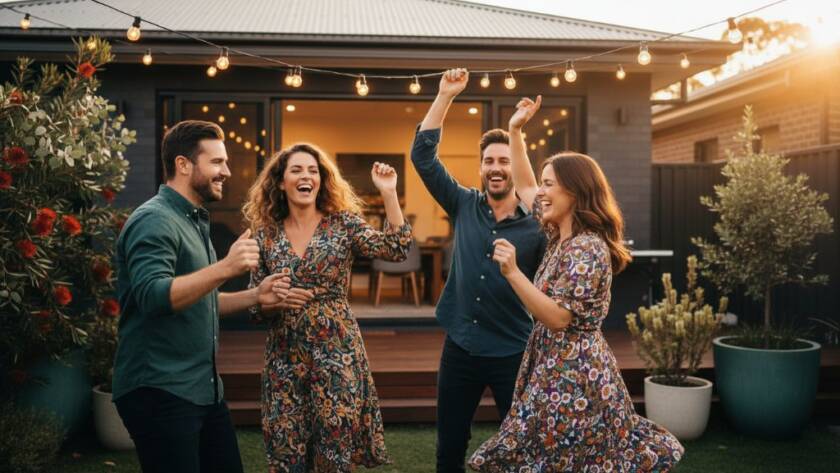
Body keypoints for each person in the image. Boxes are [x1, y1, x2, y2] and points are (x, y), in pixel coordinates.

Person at [468, 97, 684, 471]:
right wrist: (517, 130)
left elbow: (558, 318)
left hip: (576, 376)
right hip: (552, 365)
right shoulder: (559, 237)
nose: (542, 192)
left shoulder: (588, 249)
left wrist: (513, 273)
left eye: (551, 184)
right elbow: (524, 184)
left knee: (563, 459)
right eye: (545, 184)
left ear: (575, 191)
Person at [112, 120, 291, 473]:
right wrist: (225, 267)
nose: (226, 171)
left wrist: (256, 294)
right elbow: (154, 296)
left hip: (204, 390)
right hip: (160, 389)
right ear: (183, 165)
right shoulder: (154, 220)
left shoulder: (193, 221)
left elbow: (199, 299)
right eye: (216, 162)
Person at [243, 143, 413, 472]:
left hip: (337, 353)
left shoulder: (344, 225)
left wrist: (390, 193)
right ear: (280, 182)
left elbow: (396, 248)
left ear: (322, 180)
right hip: (285, 359)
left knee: (335, 451)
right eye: (296, 170)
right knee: (286, 450)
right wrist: (273, 301)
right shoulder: (264, 236)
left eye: (313, 170)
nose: (306, 176)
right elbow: (254, 304)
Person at [411, 68, 547, 473]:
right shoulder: (463, 203)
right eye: (488, 160)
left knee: (521, 448)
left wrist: (516, 133)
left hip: (513, 350)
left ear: (514, 167)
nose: (495, 167)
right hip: (460, 349)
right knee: (449, 446)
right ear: (481, 167)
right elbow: (422, 157)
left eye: (503, 160)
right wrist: (445, 96)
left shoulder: (538, 221)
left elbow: (535, 188)